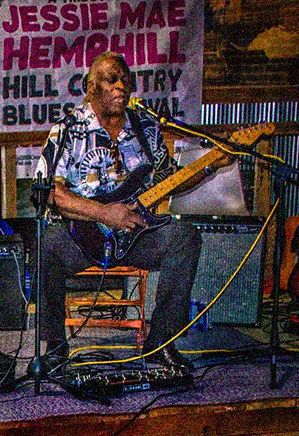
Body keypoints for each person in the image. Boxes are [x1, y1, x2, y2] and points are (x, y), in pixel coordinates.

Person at [33, 52, 203, 372]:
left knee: (185, 237)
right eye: (112, 79)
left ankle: (161, 342)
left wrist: (209, 168)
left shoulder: (146, 129)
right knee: (46, 247)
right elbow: (49, 192)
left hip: (137, 233)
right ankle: (55, 345)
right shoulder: (68, 129)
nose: (121, 86)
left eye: (126, 80)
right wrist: (103, 214)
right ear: (91, 86)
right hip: (82, 233)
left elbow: (169, 179)